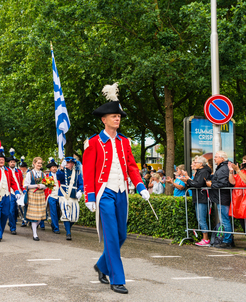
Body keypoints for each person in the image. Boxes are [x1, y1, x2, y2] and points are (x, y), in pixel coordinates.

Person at [82, 83, 150, 295]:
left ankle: (102, 266)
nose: (117, 118)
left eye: (119, 116)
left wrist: (140, 186)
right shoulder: (92, 142)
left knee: (121, 235)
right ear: (104, 119)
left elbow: (131, 166)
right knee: (111, 235)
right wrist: (90, 196)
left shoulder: (125, 142)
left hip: (122, 192)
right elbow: (89, 171)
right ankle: (117, 279)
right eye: (113, 116)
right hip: (104, 193)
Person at [0, 150, 23, 242]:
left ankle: (0, 231)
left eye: (3, 160)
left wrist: (17, 191)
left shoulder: (8, 170)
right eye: (0, 160)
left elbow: (13, 182)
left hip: (7, 195)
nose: (2, 161)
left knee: (5, 214)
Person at [180, 156, 212, 246]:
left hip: (202, 198)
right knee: (199, 218)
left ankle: (206, 239)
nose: (194, 164)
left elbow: (198, 184)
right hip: (198, 197)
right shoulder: (199, 172)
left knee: (201, 218)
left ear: (201, 164)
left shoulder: (204, 171)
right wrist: (188, 181)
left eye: (196, 162)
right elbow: (194, 184)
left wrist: (188, 180)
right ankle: (204, 238)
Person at [205, 151, 233, 248]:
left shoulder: (223, 169)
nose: (214, 159)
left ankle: (227, 241)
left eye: (216, 157)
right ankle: (227, 240)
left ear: (222, 158)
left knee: (225, 220)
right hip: (221, 197)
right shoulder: (222, 168)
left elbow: (223, 183)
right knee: (225, 219)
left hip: (223, 197)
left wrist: (211, 184)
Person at [56, 157, 83, 240]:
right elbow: (59, 177)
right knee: (66, 214)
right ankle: (68, 233)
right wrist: (61, 168)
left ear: (73, 164)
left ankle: (67, 226)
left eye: (69, 162)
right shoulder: (62, 171)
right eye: (66, 162)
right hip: (64, 194)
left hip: (74, 195)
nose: (67, 163)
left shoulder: (77, 173)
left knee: (75, 216)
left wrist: (80, 191)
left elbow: (81, 183)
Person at [24, 157, 47, 241]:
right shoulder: (30, 173)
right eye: (38, 163)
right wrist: (36, 185)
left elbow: (46, 184)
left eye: (40, 163)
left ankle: (35, 227)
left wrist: (43, 186)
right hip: (32, 194)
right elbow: (26, 185)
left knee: (40, 216)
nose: (39, 164)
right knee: (34, 215)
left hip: (40, 195)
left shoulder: (43, 174)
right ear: (34, 163)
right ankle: (35, 234)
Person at [6, 149, 24, 235]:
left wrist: (23, 190)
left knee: (17, 211)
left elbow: (21, 183)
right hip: (10, 193)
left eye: (14, 162)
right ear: (8, 163)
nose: (12, 163)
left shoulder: (19, 172)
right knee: (11, 210)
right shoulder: (6, 171)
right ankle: (13, 228)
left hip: (19, 192)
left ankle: (12, 222)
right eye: (11, 162)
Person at [46, 158, 61, 234]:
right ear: (50, 168)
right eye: (53, 167)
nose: (54, 168)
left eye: (55, 167)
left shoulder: (59, 175)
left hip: (60, 196)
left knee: (59, 212)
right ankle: (56, 228)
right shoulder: (47, 176)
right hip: (51, 196)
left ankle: (53, 224)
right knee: (53, 212)